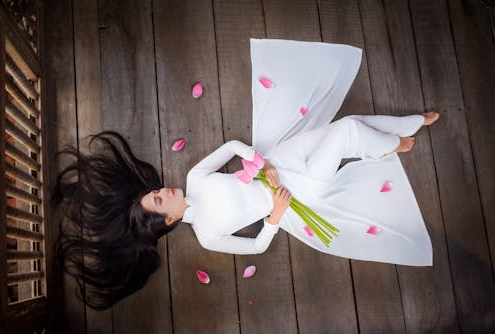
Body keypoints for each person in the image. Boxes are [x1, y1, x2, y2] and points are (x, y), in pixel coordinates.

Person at [53, 38, 438, 310]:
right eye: (158, 199)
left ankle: (408, 125)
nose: (162, 190)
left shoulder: (195, 178)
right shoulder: (207, 235)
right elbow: (256, 247)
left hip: (280, 161)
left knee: (347, 124)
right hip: (296, 192)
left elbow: (233, 147)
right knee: (346, 132)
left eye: (154, 191)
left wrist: (260, 163)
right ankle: (395, 141)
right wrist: (274, 216)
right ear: (168, 218)